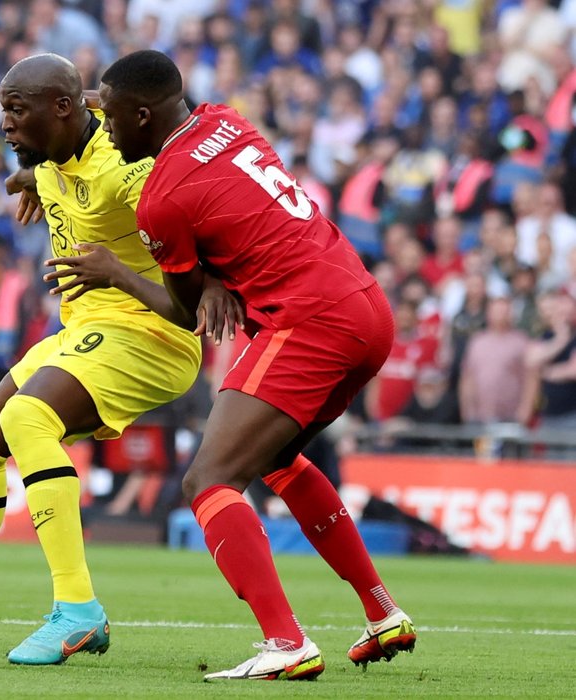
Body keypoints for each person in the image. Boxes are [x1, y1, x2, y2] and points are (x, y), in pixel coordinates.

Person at [47, 50, 416, 681]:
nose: (102, 129)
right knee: (274, 458)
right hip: (365, 307)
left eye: (108, 117)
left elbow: (186, 313)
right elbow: (228, 224)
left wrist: (116, 271)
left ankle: (285, 642)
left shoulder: (161, 199)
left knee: (207, 479)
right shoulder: (227, 121)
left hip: (310, 321)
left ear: (142, 115)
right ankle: (382, 611)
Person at [0, 54, 214, 665]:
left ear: (61, 109)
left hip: (151, 334)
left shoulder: (126, 167)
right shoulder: (53, 154)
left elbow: (198, 239)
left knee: (27, 418)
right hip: (86, 330)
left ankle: (78, 610)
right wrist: (37, 175)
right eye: (3, 109)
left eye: (15, 110)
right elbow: (74, 108)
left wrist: (215, 286)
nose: (4, 124)